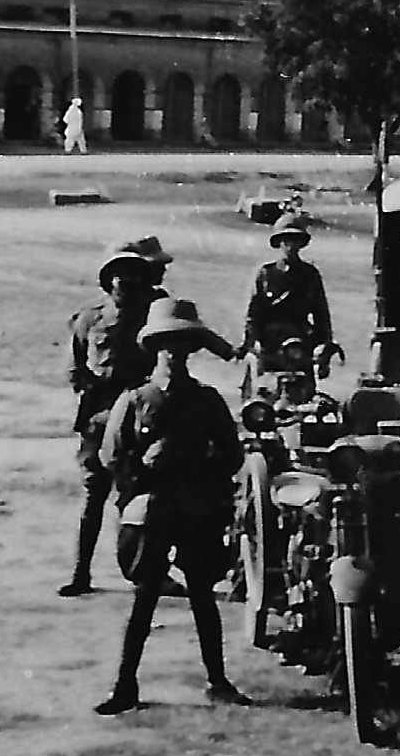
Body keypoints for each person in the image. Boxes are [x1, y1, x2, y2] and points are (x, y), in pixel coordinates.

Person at [94, 298, 248, 714]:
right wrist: (139, 480)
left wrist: (203, 474)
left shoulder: (207, 400)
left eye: (182, 345)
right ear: (154, 347)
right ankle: (125, 684)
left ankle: (218, 680)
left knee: (202, 596)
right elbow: (113, 455)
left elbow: (233, 455)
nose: (174, 353)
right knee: (145, 597)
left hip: (196, 507)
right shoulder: (136, 399)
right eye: (166, 344)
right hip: (153, 509)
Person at [60, 248, 162, 597]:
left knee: (140, 496)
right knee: (94, 496)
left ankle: (147, 573)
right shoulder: (90, 317)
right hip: (100, 418)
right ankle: (81, 573)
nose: (125, 282)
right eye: (119, 275)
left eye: (133, 276)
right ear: (108, 280)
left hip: (139, 416)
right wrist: (91, 392)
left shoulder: (154, 316)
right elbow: (75, 364)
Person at [242, 212, 335, 378]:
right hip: (270, 343)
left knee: (305, 389)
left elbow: (321, 315)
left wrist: (324, 349)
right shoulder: (265, 273)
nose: (291, 246)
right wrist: (251, 343)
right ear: (279, 243)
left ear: (301, 243)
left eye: (295, 240)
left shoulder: (310, 274)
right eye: (286, 240)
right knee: (264, 390)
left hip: (301, 342)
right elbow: (253, 314)